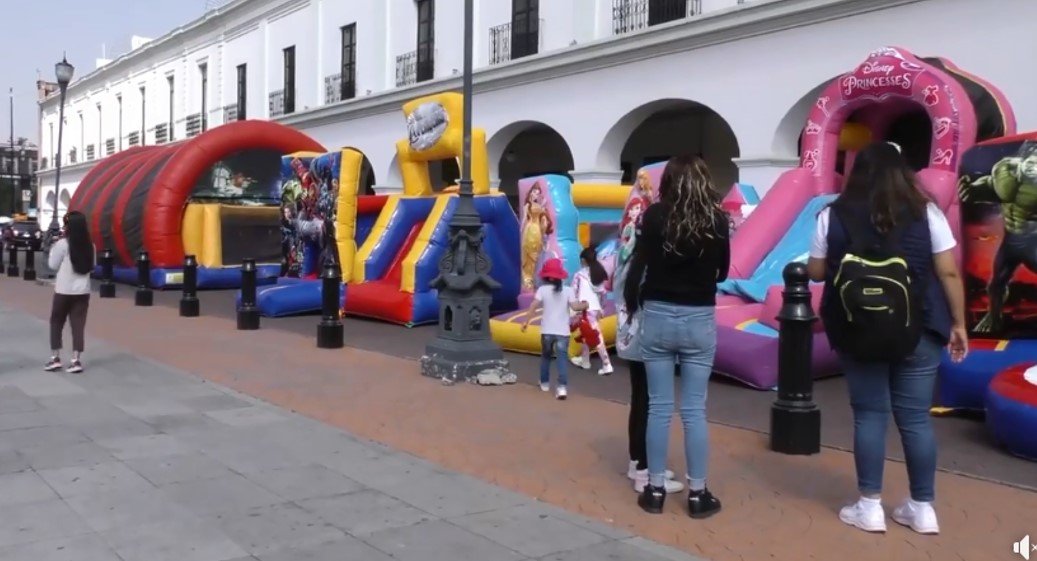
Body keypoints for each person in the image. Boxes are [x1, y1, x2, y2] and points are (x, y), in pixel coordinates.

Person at [807, 141, 968, 535]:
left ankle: (870, 506)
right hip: (920, 326)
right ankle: (923, 507)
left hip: (858, 328)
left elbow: (814, 272)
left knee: (870, 415)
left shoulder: (833, 215)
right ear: (903, 173)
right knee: (915, 419)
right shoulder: (925, 211)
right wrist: (960, 324)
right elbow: (948, 272)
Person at [624, 155, 729, 518]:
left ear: (668, 181)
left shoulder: (654, 216)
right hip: (699, 316)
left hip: (658, 314)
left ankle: (654, 489)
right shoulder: (716, 220)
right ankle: (698, 494)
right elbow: (723, 271)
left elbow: (644, 260)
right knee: (695, 409)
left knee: (659, 406)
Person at [613, 235, 684, 495]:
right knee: (652, 406)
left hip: (630, 340)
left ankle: (638, 463)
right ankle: (646, 473)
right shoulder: (650, 268)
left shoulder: (628, 259)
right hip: (649, 341)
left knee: (640, 402)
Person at [958, 141, 1037, 334]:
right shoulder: (1007, 174)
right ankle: (993, 317)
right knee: (996, 283)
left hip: (1033, 242)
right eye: (1030, 161)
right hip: (1010, 242)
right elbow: (988, 188)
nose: (1033, 167)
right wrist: (971, 189)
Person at [520, 258, 587, 400]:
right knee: (561, 359)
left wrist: (526, 321)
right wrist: (585, 305)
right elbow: (575, 307)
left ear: (546, 276)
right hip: (563, 332)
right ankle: (562, 388)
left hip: (547, 331)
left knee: (546, 356)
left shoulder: (542, 290)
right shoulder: (568, 290)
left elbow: (533, 306)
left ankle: (544, 383)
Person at [45, 211, 95, 374]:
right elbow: (92, 266)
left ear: (69, 226)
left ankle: (55, 358)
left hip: (63, 290)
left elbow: (52, 265)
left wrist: (53, 246)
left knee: (57, 322)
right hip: (83, 291)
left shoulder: (63, 244)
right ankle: (76, 360)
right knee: (78, 325)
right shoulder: (90, 245)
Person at [570, 246, 614, 375]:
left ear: (583, 260)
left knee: (595, 335)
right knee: (586, 332)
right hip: (595, 308)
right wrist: (602, 307)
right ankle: (585, 361)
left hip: (585, 309)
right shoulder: (597, 273)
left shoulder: (579, 275)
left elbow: (574, 292)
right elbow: (603, 293)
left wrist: (575, 310)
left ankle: (607, 364)